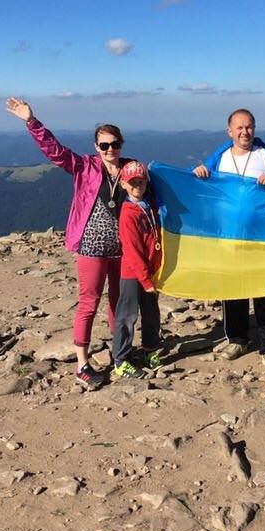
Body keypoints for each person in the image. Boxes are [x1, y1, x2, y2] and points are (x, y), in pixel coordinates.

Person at [5, 96, 134, 390]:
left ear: (121, 144)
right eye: (104, 145)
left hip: (122, 248)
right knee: (89, 303)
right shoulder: (84, 166)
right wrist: (31, 121)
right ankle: (82, 364)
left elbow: (156, 190)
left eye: (114, 144)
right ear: (96, 147)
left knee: (119, 302)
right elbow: (56, 152)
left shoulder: (132, 169)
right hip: (90, 246)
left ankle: (120, 354)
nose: (110, 149)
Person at [193, 108, 265, 374]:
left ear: (254, 128)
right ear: (229, 131)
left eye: (248, 127)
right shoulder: (220, 158)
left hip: (264, 238)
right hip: (229, 238)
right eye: (239, 128)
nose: (244, 132)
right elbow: (202, 189)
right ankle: (237, 339)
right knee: (232, 290)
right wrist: (200, 172)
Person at [111, 161, 162, 379]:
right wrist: (146, 280)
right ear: (123, 184)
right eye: (132, 183)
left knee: (151, 314)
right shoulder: (128, 214)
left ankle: (149, 350)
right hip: (133, 275)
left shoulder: (147, 206)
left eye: (140, 182)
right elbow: (132, 251)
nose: (136, 186)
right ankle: (120, 360)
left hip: (149, 272)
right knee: (127, 316)